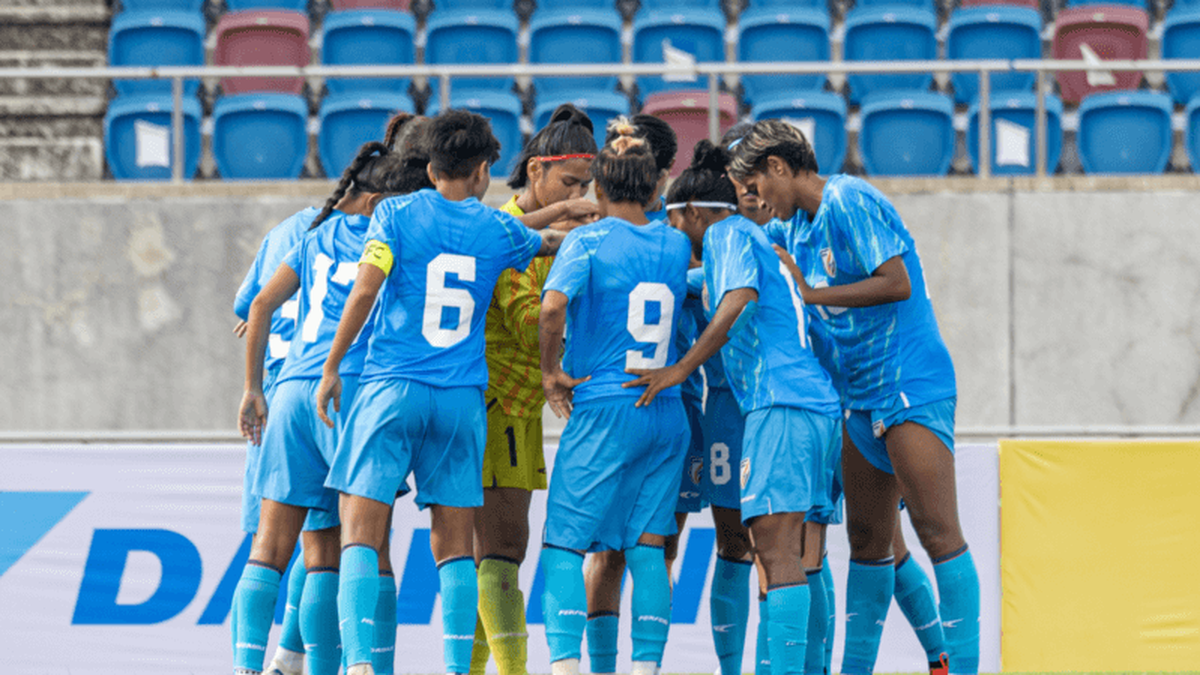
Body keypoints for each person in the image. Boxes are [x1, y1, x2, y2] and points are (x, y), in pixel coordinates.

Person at [316, 109, 566, 675]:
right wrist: (582, 219)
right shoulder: (495, 229)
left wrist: (333, 365)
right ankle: (457, 668)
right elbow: (542, 240)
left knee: (360, 534)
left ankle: (358, 665)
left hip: (391, 389)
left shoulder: (396, 215)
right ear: (482, 172)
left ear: (431, 169)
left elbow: (365, 290)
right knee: (455, 547)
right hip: (460, 401)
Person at [729, 120, 977, 675]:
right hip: (854, 397)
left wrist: (811, 293)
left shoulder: (848, 198)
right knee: (868, 541)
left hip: (908, 384)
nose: (758, 200)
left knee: (937, 533)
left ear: (778, 167)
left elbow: (896, 282)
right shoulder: (793, 231)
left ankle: (960, 664)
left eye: (757, 185)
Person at [624, 140, 843, 675]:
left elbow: (738, 300)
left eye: (675, 224)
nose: (675, 237)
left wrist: (680, 368)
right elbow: (694, 287)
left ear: (693, 213)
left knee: (773, 550)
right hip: (815, 405)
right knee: (800, 550)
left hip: (779, 403)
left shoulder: (727, 234)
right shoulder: (758, 242)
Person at [226, 108, 424, 674]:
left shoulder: (305, 231)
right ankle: (362, 666)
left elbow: (253, 306)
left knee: (279, 549)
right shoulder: (400, 238)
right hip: (351, 393)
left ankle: (256, 663)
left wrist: (250, 388)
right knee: (362, 549)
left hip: (284, 393)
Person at [537, 123, 692, 675]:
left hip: (605, 406)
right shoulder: (675, 243)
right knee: (647, 547)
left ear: (598, 189)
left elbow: (552, 308)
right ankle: (645, 668)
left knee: (563, 546)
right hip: (664, 410)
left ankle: (564, 667)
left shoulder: (588, 239)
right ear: (654, 191)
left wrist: (551, 372)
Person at [469, 103, 600, 675]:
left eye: (586, 185)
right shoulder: (507, 232)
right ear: (538, 171)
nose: (579, 194)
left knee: (487, 556)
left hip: (518, 409)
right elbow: (527, 323)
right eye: (570, 183)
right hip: (496, 403)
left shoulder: (556, 231)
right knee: (502, 550)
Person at [583, 114, 679, 675]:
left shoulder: (671, 228)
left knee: (654, 547)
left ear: (658, 174)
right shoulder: (665, 236)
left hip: (666, 401)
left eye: (632, 152)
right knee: (614, 550)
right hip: (652, 402)